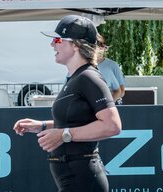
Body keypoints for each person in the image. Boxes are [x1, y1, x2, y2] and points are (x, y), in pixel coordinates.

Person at [13, 15, 122, 192]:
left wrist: (64, 134)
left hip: (83, 178)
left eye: (57, 40)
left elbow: (112, 125)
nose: (52, 45)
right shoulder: (76, 77)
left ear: (75, 45)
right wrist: (41, 126)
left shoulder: (89, 77)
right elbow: (77, 122)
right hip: (73, 177)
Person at [97, 34, 125, 102]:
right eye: (97, 45)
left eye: (102, 45)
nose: (100, 48)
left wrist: (107, 104)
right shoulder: (83, 64)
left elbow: (121, 91)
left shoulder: (112, 66)